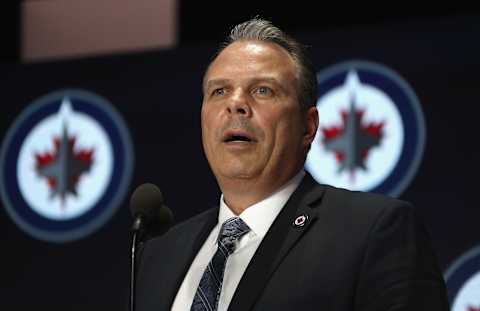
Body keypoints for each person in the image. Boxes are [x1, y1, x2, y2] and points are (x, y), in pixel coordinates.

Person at [136, 18, 449, 311]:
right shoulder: (159, 254)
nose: (235, 104)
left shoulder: (372, 232)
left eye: (263, 90)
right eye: (220, 91)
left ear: (308, 126)